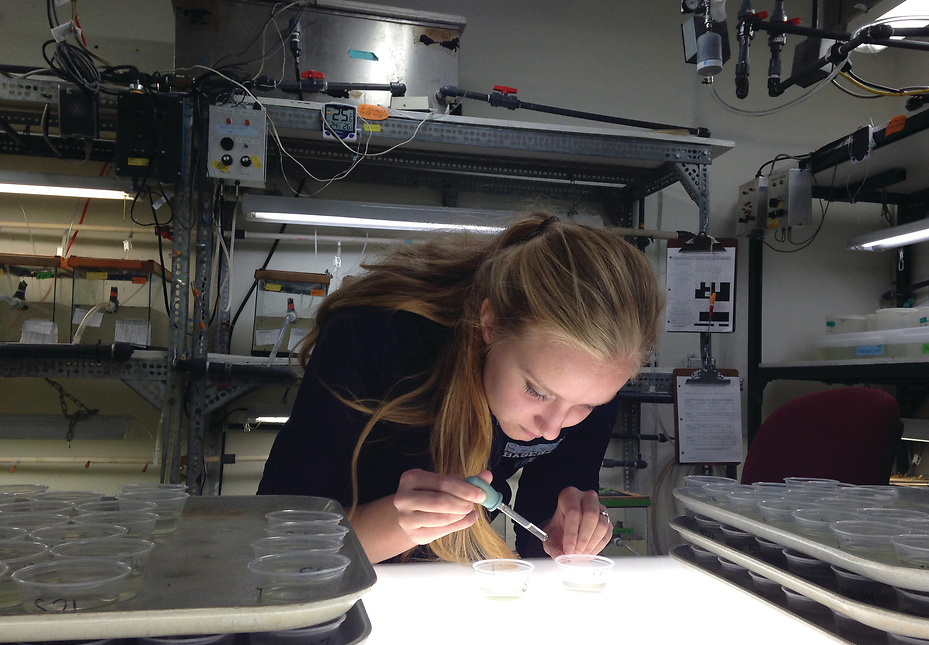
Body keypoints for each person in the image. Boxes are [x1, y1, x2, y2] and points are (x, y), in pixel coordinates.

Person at [257, 212, 663, 564]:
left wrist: (569, 532)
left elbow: (541, 532)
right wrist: (396, 525)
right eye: (537, 392)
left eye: (587, 406)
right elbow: (279, 538)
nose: (554, 427)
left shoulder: (588, 384)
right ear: (490, 324)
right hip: (332, 577)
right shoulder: (376, 339)